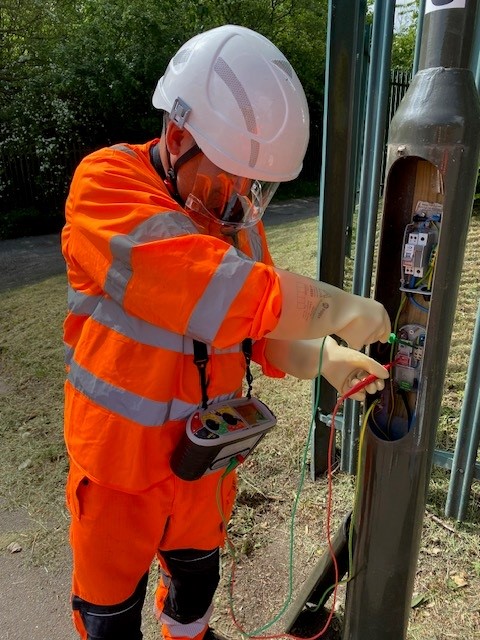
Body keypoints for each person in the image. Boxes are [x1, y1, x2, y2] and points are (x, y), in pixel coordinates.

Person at [61, 24, 391, 640]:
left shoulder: (232, 220)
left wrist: (323, 355)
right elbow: (214, 290)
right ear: (177, 136)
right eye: (230, 180)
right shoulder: (106, 187)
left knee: (195, 588)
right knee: (110, 617)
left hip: (203, 460)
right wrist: (336, 308)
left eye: (256, 188)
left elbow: (256, 328)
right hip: (119, 473)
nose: (242, 202)